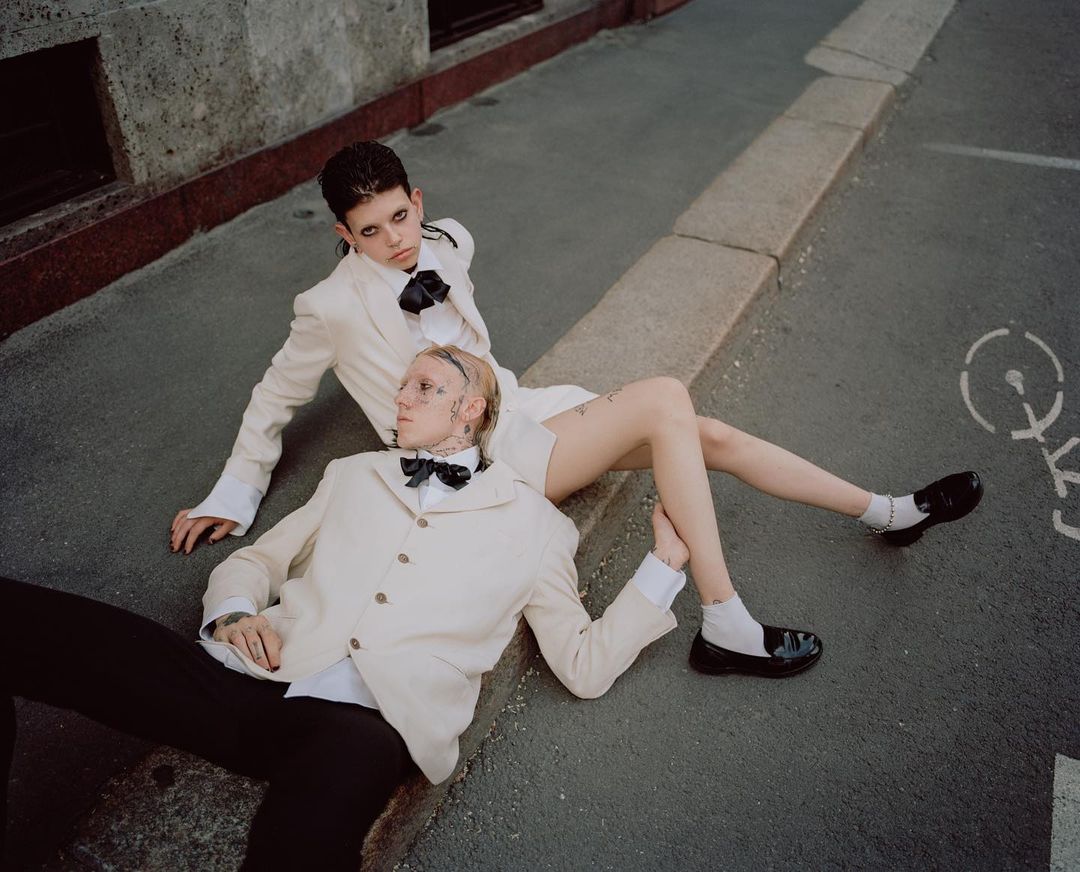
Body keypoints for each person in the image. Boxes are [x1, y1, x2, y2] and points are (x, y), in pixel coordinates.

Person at [171, 141, 982, 675]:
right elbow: (277, 391)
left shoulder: (449, 241)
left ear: (418, 199)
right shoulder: (330, 306)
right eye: (371, 231)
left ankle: (887, 511)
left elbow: (463, 314)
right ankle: (725, 618)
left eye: (401, 217)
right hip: (485, 454)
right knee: (665, 398)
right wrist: (233, 493)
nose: (396, 240)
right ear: (345, 235)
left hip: (523, 408)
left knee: (704, 433)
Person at [2, 348, 687, 870]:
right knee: (47, 628)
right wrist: (235, 613)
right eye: (402, 386)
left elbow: (582, 663)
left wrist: (664, 565)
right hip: (249, 679)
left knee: (304, 839)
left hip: (367, 723)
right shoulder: (353, 474)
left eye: (426, 387)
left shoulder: (538, 527)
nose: (402, 397)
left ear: (471, 409)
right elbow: (255, 562)